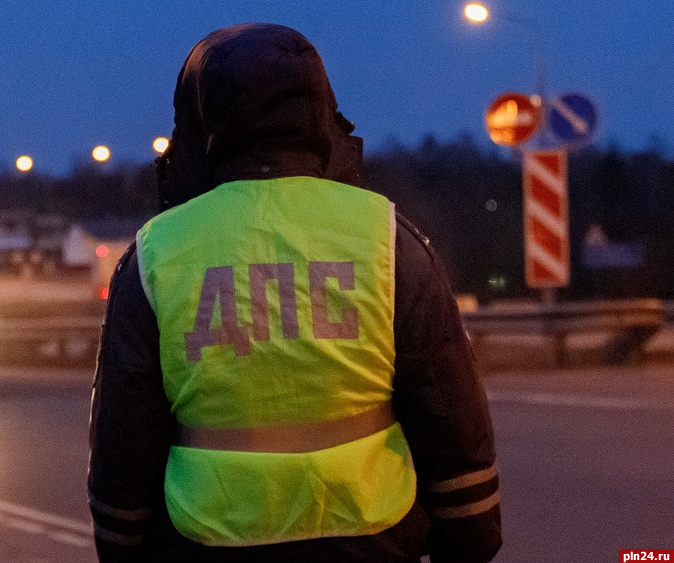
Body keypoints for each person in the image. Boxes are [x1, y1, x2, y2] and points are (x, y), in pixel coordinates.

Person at [88, 23, 502, 562]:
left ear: (199, 119)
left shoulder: (158, 253)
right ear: (322, 113)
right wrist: (470, 534)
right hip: (371, 538)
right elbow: (448, 408)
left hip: (209, 539)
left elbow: (125, 435)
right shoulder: (384, 236)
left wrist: (120, 543)